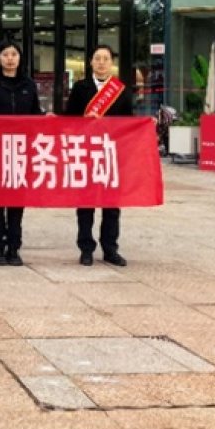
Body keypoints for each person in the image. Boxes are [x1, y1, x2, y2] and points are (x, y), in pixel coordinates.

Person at [0, 39, 44, 267]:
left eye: (14, 54)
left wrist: (47, 119)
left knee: (17, 201)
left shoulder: (28, 84)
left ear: (20, 58)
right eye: (5, 54)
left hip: (21, 151)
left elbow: (35, 113)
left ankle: (14, 247)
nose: (10, 59)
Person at [65, 44, 133, 267]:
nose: (102, 62)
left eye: (106, 58)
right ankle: (86, 248)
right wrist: (84, 120)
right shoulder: (80, 88)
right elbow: (68, 120)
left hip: (111, 153)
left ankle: (110, 249)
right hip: (86, 152)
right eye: (97, 58)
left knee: (111, 205)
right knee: (86, 203)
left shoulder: (121, 90)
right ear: (91, 62)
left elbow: (128, 122)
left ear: (112, 63)